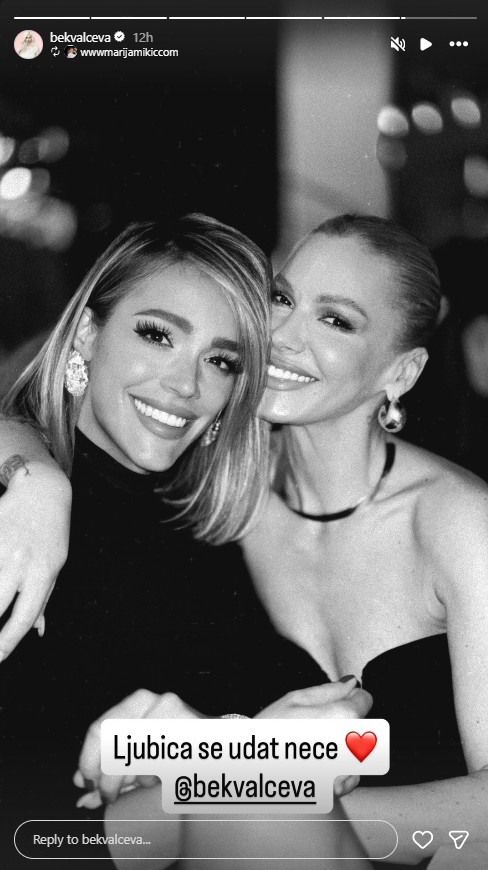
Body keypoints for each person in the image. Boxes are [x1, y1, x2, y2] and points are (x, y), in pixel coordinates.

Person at [4, 213, 488, 866]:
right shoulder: (206, 500)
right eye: (281, 299)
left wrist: (250, 780)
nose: (281, 337)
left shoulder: (218, 507)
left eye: (336, 319)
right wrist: (26, 471)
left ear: (401, 373)